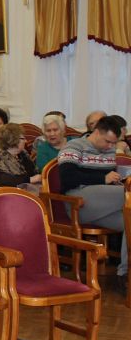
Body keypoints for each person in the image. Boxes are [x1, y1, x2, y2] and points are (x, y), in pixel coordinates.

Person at [59, 116, 127, 293]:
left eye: (113, 143)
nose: (110, 146)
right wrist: (102, 178)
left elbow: (108, 182)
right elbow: (67, 178)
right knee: (126, 194)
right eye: (108, 141)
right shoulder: (74, 147)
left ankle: (124, 274)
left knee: (129, 220)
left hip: (102, 204)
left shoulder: (109, 151)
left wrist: (115, 180)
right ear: (96, 132)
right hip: (78, 202)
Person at [0, 123, 40, 187]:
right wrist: (30, 180)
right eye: (23, 138)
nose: (26, 141)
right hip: (9, 191)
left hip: (26, 188)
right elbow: (5, 181)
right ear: (13, 140)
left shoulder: (22, 154)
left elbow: (33, 172)